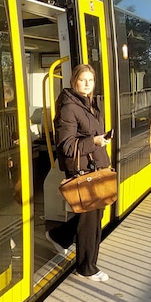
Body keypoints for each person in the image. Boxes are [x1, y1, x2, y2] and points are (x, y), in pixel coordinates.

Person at [46, 64, 112, 281]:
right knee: (89, 222)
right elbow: (66, 145)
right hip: (83, 170)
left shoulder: (90, 103)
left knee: (94, 216)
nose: (86, 84)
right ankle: (87, 267)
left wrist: (100, 140)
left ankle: (59, 235)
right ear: (74, 80)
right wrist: (93, 141)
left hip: (95, 166)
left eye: (90, 80)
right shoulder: (68, 106)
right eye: (82, 80)